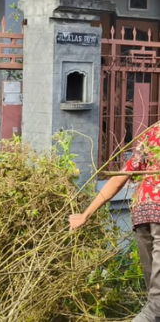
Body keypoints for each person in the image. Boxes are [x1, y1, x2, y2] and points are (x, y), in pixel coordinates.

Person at [69, 122, 160, 322]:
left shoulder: (153, 131)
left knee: (154, 298)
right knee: (157, 306)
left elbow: (121, 177)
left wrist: (86, 214)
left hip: (144, 217)